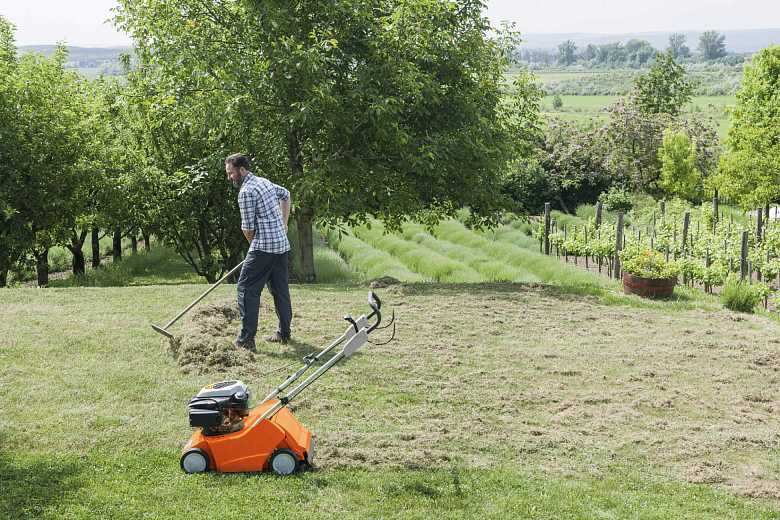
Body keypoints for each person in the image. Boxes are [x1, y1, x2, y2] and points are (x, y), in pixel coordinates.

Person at [225, 153, 292, 351]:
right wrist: (284, 224)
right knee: (280, 291)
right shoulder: (264, 182)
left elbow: (247, 229)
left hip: (264, 248)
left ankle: (246, 340)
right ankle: (284, 333)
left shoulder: (246, 191)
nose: (230, 177)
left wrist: (255, 247)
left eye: (231, 173)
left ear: (242, 170)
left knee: (246, 290)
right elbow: (286, 194)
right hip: (281, 246)